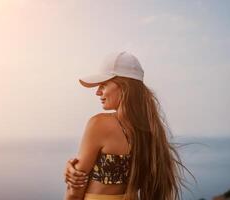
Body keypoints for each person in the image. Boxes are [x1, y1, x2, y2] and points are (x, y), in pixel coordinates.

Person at [64, 51, 187, 200]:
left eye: (103, 85)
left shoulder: (100, 124)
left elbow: (75, 191)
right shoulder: (151, 131)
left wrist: (73, 174)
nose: (98, 92)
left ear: (124, 87)